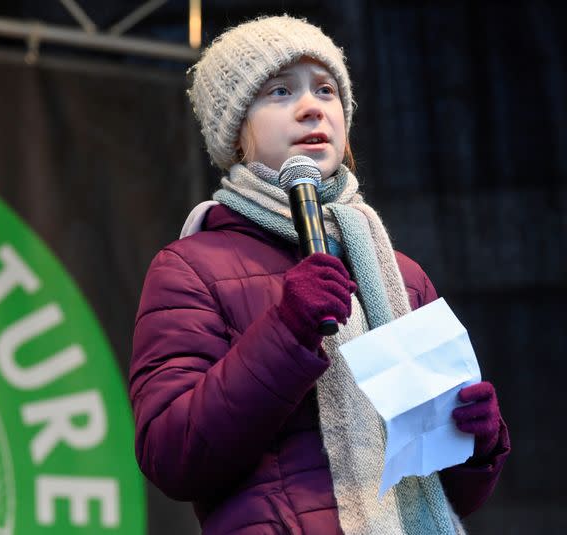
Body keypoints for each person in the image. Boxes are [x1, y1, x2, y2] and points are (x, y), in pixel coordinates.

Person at [129, 15, 509, 535]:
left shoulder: (400, 274)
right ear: (236, 133)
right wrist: (287, 331)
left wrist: (476, 443)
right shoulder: (191, 266)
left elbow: (443, 494)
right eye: (280, 91)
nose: (311, 107)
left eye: (326, 90)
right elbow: (171, 453)